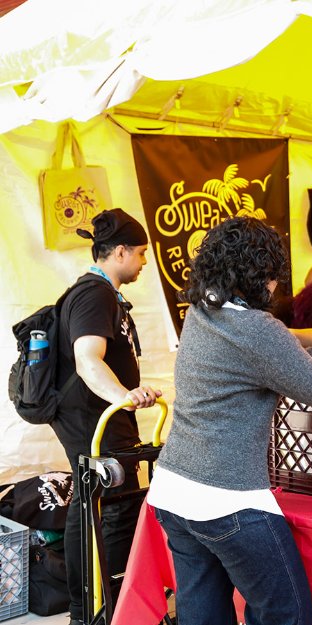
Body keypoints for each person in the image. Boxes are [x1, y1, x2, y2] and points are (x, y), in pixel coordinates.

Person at [147, 217, 312, 625]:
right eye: (271, 277)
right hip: (227, 499)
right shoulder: (254, 327)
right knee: (287, 612)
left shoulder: (204, 311)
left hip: (172, 492)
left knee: (202, 616)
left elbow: (271, 358)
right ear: (256, 274)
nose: (274, 287)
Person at [53, 208, 161, 625]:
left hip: (101, 413)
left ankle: (104, 601)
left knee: (104, 500)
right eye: (140, 253)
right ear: (119, 252)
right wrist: (125, 397)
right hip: (92, 415)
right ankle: (95, 607)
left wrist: (124, 399)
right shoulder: (93, 294)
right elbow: (87, 359)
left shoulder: (101, 294)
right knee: (107, 502)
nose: (145, 262)